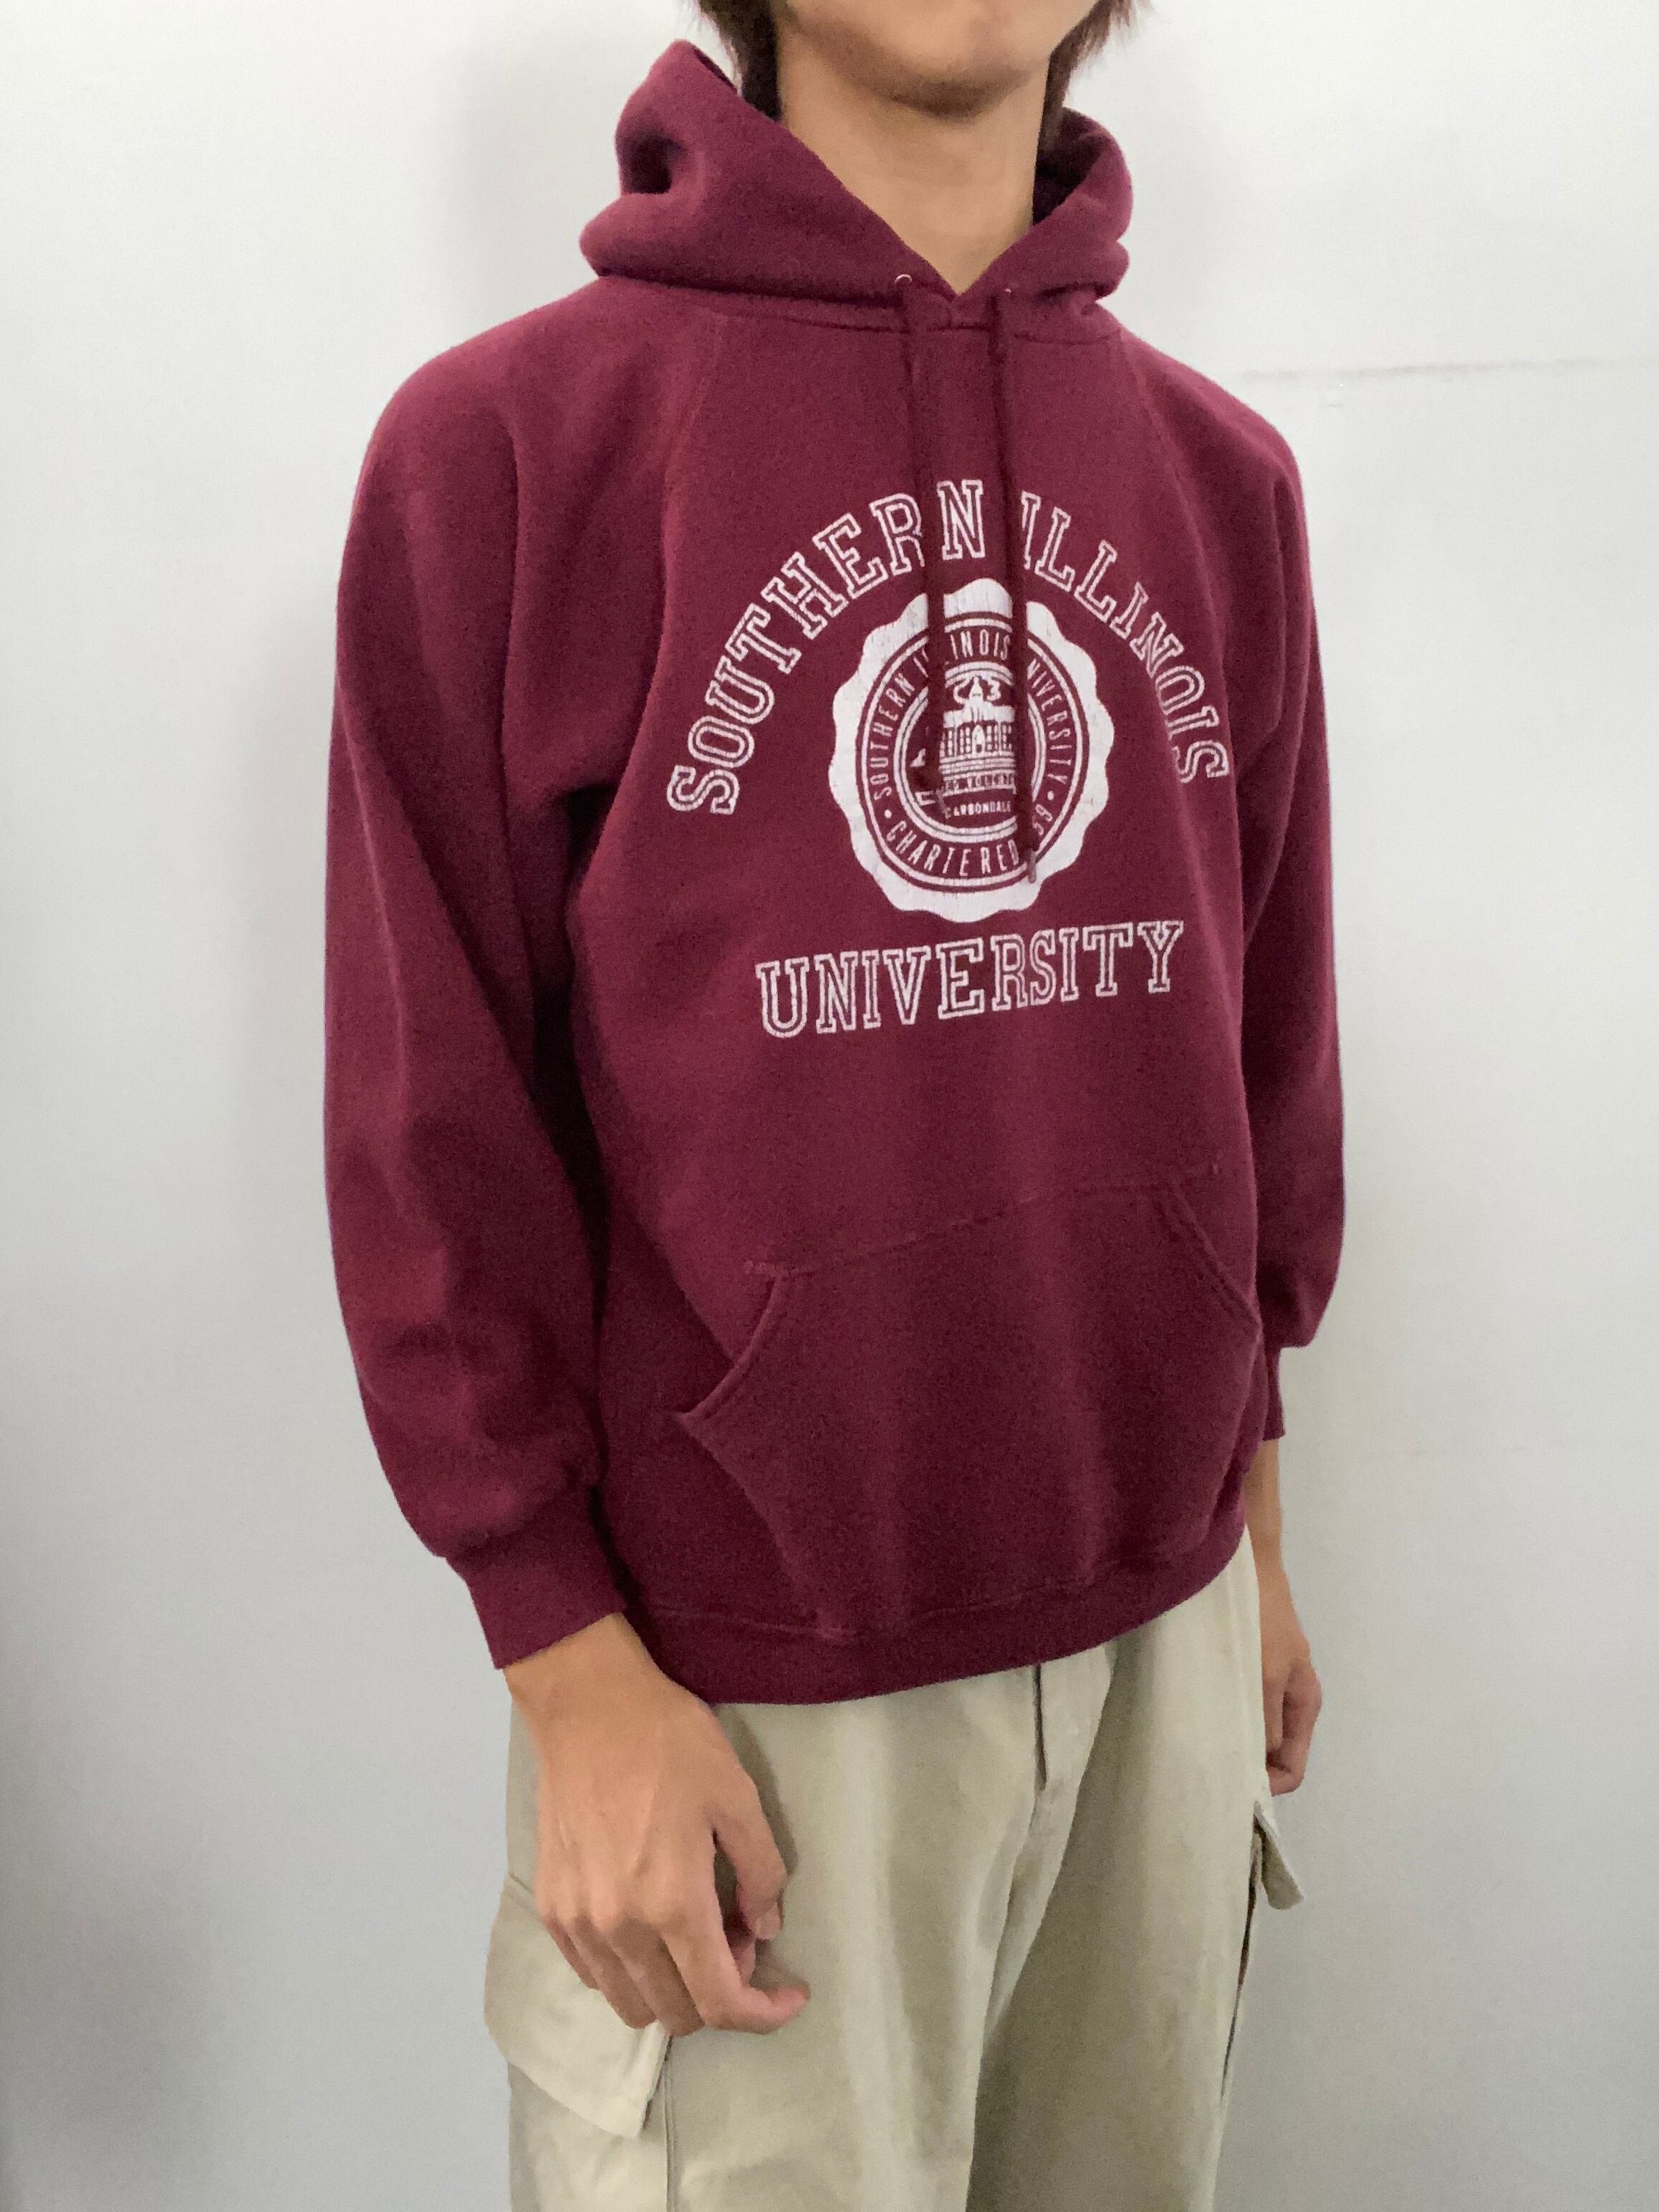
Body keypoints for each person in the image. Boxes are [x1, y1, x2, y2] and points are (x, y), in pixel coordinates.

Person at [322, 2, 1344, 2202]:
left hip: (1161, 1637)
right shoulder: (507, 452)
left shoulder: (1220, 480)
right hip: (743, 1684)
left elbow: (1256, 1040)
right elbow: (432, 1116)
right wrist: (567, 1670)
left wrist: (1248, 1531)